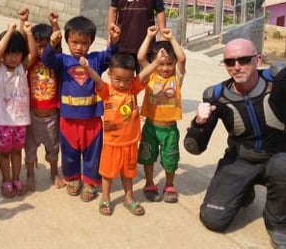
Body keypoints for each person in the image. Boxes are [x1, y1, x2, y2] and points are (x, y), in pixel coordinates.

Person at [183, 22, 286, 249]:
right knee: (213, 219)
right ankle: (244, 190)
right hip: (240, 160)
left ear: (257, 60)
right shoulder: (217, 96)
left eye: (244, 60)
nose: (237, 66)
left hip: (277, 157)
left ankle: (278, 224)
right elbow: (194, 147)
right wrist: (198, 123)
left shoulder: (281, 80)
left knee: (285, 167)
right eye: (230, 62)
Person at [42, 16, 121, 202]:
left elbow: (111, 55)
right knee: (69, 153)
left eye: (84, 43)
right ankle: (73, 179)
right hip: (68, 120)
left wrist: (115, 41)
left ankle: (90, 182)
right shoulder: (62, 61)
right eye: (74, 42)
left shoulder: (96, 60)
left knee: (92, 154)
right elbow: (46, 60)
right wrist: (51, 45)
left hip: (92, 120)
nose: (79, 47)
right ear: (67, 41)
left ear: (91, 42)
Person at [80, 53, 153, 216]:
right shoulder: (107, 91)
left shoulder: (133, 88)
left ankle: (129, 198)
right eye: (118, 79)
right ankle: (105, 198)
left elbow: (144, 73)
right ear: (110, 75)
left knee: (129, 173)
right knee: (107, 173)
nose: (122, 84)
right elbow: (97, 80)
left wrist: (157, 62)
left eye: (127, 80)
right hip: (112, 143)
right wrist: (86, 67)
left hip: (130, 142)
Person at [137, 26, 186, 203]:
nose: (165, 68)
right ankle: (149, 183)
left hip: (169, 130)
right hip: (150, 127)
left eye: (169, 63)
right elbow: (140, 57)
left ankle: (169, 184)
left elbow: (182, 57)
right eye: (161, 63)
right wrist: (149, 36)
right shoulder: (151, 75)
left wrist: (172, 39)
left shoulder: (176, 78)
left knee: (170, 158)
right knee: (148, 156)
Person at [18, 7, 65, 191]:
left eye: (45, 45)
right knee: (29, 151)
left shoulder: (56, 61)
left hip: (52, 117)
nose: (41, 49)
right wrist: (23, 22)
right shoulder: (30, 63)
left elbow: (58, 41)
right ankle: (30, 174)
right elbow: (23, 42)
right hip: (31, 116)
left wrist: (54, 24)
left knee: (53, 149)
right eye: (37, 45)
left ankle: (54, 173)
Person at [0, 21, 37, 198]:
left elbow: (33, 53)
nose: (12, 58)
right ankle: (6, 180)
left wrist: (28, 33)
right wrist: (10, 31)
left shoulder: (21, 69)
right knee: (4, 153)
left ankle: (16, 179)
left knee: (17, 151)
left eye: (16, 53)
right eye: (8, 54)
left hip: (20, 121)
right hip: (3, 121)